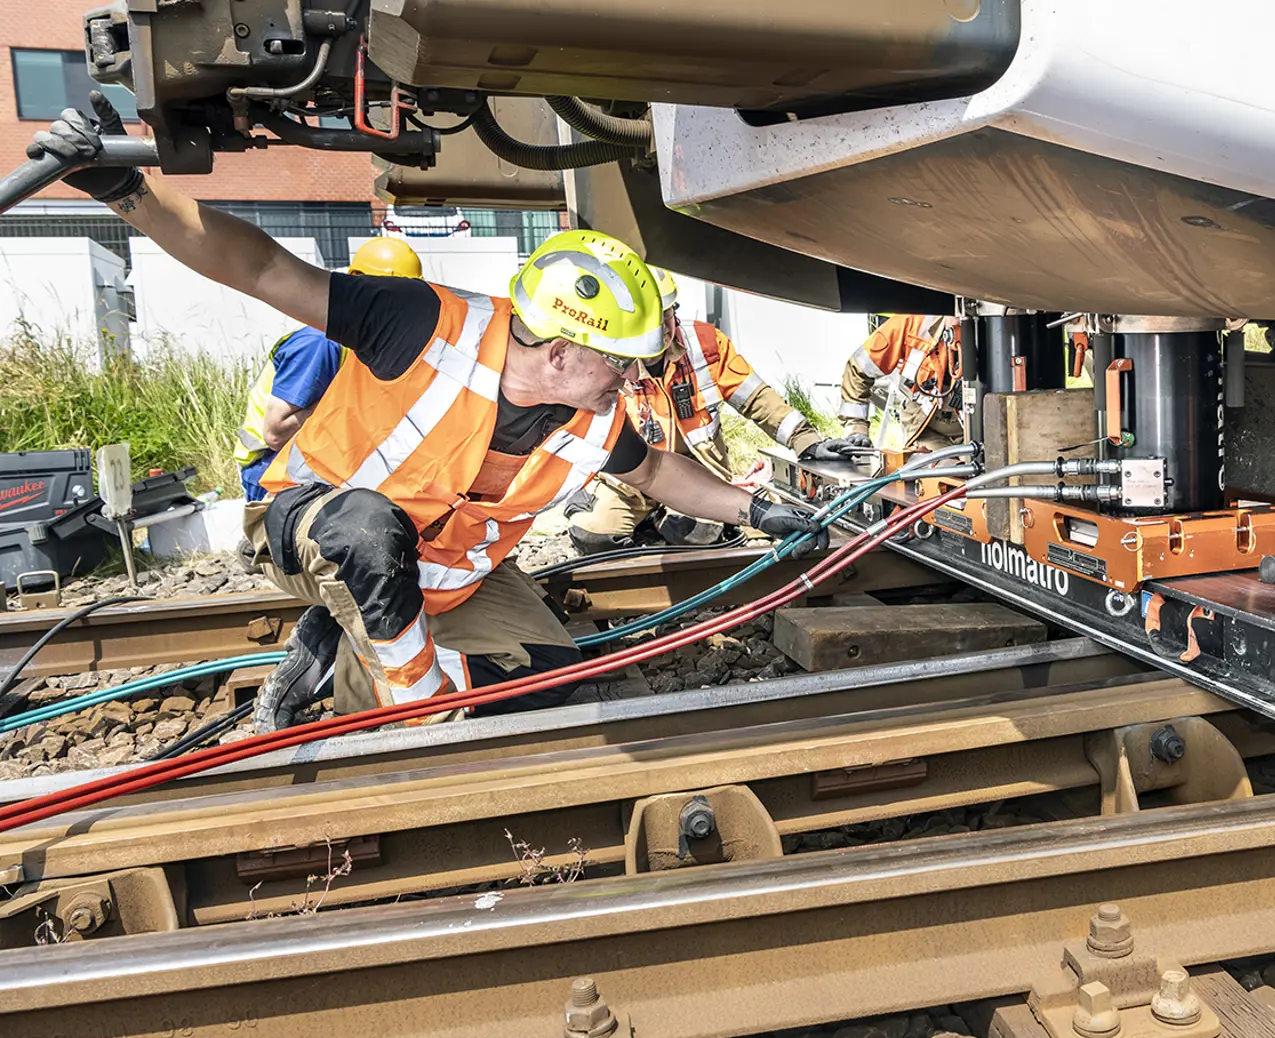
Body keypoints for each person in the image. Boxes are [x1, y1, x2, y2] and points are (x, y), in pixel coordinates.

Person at [27, 98, 826, 731]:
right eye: (615, 360)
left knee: (558, 691)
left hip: (451, 572)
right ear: (557, 352)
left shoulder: (588, 414)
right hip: (321, 528)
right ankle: (396, 694)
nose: (628, 376)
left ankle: (347, 647)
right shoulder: (417, 321)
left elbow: (655, 470)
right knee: (376, 551)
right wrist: (127, 190)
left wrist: (759, 508)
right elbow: (263, 266)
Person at [564, 267, 869, 553]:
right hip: (632, 475)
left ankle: (665, 524)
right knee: (593, 533)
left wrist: (807, 440)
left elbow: (756, 399)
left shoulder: (705, 343)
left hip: (697, 474)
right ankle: (647, 523)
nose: (664, 329)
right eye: (652, 323)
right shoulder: (608, 361)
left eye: (667, 316)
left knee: (694, 533)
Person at [232, 239, 423, 499]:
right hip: (272, 469)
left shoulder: (366, 339)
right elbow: (276, 432)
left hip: (314, 460)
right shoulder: (320, 343)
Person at [837, 313, 964, 450]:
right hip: (925, 429)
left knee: (983, 467)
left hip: (977, 430)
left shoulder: (989, 329)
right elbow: (859, 368)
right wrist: (856, 429)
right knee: (943, 468)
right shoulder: (911, 322)